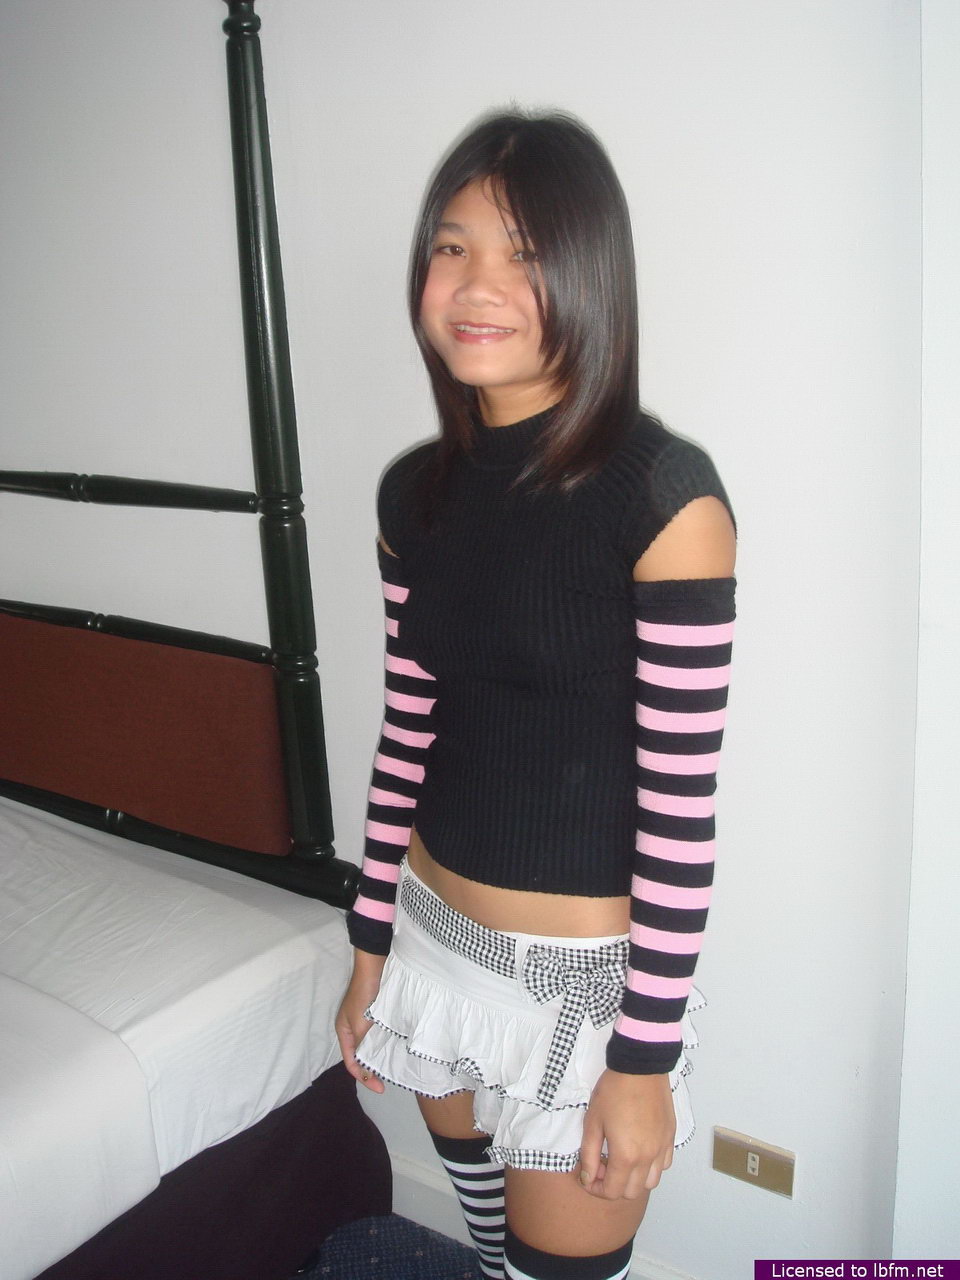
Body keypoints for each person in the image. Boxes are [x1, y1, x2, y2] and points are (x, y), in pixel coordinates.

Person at [335, 109, 736, 1280]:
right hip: (431, 934)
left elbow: (679, 810)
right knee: (483, 1240)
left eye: (524, 252)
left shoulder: (665, 499)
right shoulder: (411, 496)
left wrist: (641, 1059)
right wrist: (370, 945)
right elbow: (409, 731)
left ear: (590, 274)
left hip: (579, 992)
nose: (477, 284)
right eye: (452, 247)